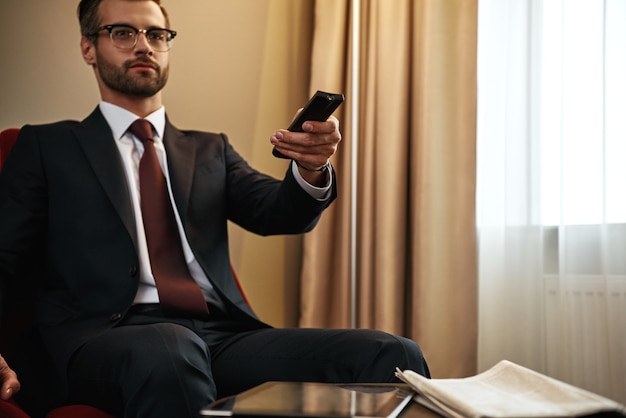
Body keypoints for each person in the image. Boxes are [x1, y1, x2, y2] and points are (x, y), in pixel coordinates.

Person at [0, 0, 430, 417]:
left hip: (220, 337)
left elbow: (278, 212)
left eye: (156, 34)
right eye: (123, 32)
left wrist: (311, 168)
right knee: (169, 347)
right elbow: (5, 256)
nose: (144, 45)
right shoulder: (45, 146)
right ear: (88, 48)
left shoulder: (209, 149)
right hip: (101, 339)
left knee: (392, 353)